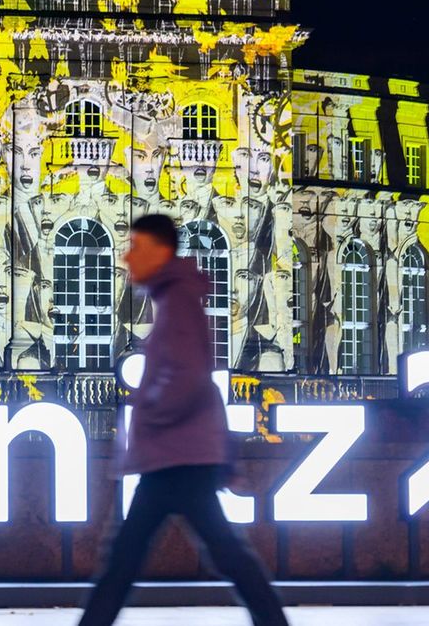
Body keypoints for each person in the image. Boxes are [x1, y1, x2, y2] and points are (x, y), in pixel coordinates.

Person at [79, 214, 287, 626]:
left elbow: (189, 378)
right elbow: (195, 381)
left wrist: (148, 414)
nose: (126, 256)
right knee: (216, 552)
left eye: (135, 246)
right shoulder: (175, 299)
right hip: (180, 456)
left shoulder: (177, 302)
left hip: (175, 457)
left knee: (125, 560)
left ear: (159, 251)